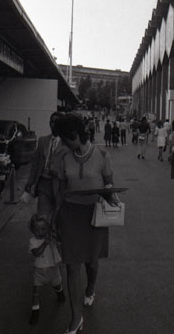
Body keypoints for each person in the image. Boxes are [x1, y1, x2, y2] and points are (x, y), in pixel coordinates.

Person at [54, 114, 120, 333]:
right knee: (71, 265)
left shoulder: (102, 155)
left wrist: (112, 196)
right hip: (70, 214)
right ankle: (76, 318)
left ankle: (91, 287)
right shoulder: (64, 156)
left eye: (64, 138)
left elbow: (109, 184)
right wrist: (55, 216)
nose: (63, 143)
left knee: (91, 263)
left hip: (94, 215)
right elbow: (61, 189)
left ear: (74, 135)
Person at [22, 111, 64, 216]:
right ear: (49, 123)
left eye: (58, 122)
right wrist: (30, 182)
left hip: (59, 185)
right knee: (42, 216)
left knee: (57, 216)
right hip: (43, 184)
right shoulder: (42, 141)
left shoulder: (67, 144)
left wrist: (58, 173)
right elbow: (35, 164)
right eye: (53, 121)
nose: (55, 124)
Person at [28, 214, 65, 324]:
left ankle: (60, 292)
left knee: (57, 284)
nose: (40, 232)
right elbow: (36, 253)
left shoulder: (51, 238)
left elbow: (61, 240)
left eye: (43, 229)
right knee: (36, 292)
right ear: (32, 230)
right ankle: (35, 311)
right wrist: (45, 244)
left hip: (53, 269)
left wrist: (55, 234)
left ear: (48, 228)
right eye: (37, 230)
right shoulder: (33, 241)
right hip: (39, 272)